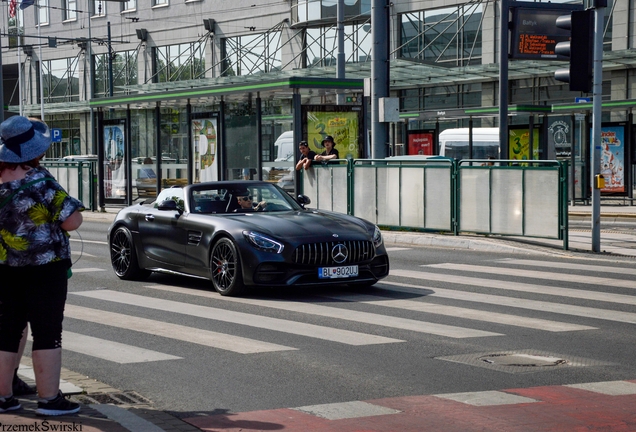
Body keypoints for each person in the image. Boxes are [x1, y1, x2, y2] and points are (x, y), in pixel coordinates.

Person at [0, 116, 84, 416]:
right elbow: (72, 220)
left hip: (5, 267)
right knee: (47, 332)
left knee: (7, 332)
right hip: (45, 267)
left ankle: (3, 397)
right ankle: (49, 400)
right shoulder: (39, 179)